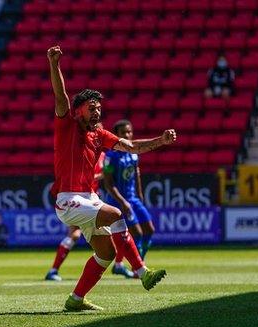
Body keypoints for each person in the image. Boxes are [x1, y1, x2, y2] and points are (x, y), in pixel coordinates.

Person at [48, 45, 176, 311]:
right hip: (68, 200)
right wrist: (54, 64)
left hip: (88, 199)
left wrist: (160, 141)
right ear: (79, 110)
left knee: (105, 254)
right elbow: (60, 97)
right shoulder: (67, 124)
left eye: (99, 108)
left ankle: (75, 299)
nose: (97, 112)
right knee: (117, 213)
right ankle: (142, 272)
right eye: (92, 108)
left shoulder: (101, 134)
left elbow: (132, 147)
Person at [104, 119, 156, 278]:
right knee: (137, 233)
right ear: (117, 136)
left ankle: (133, 264)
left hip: (133, 199)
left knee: (149, 230)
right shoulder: (110, 156)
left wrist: (139, 195)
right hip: (119, 201)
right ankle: (138, 269)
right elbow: (108, 184)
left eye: (129, 132)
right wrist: (123, 202)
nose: (128, 135)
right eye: (124, 133)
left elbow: (136, 174)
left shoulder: (133, 154)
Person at [45, 153, 106, 281]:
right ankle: (53, 270)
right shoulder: (82, 153)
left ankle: (54, 270)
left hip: (93, 198)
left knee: (90, 233)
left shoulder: (104, 156)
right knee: (77, 234)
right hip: (80, 199)